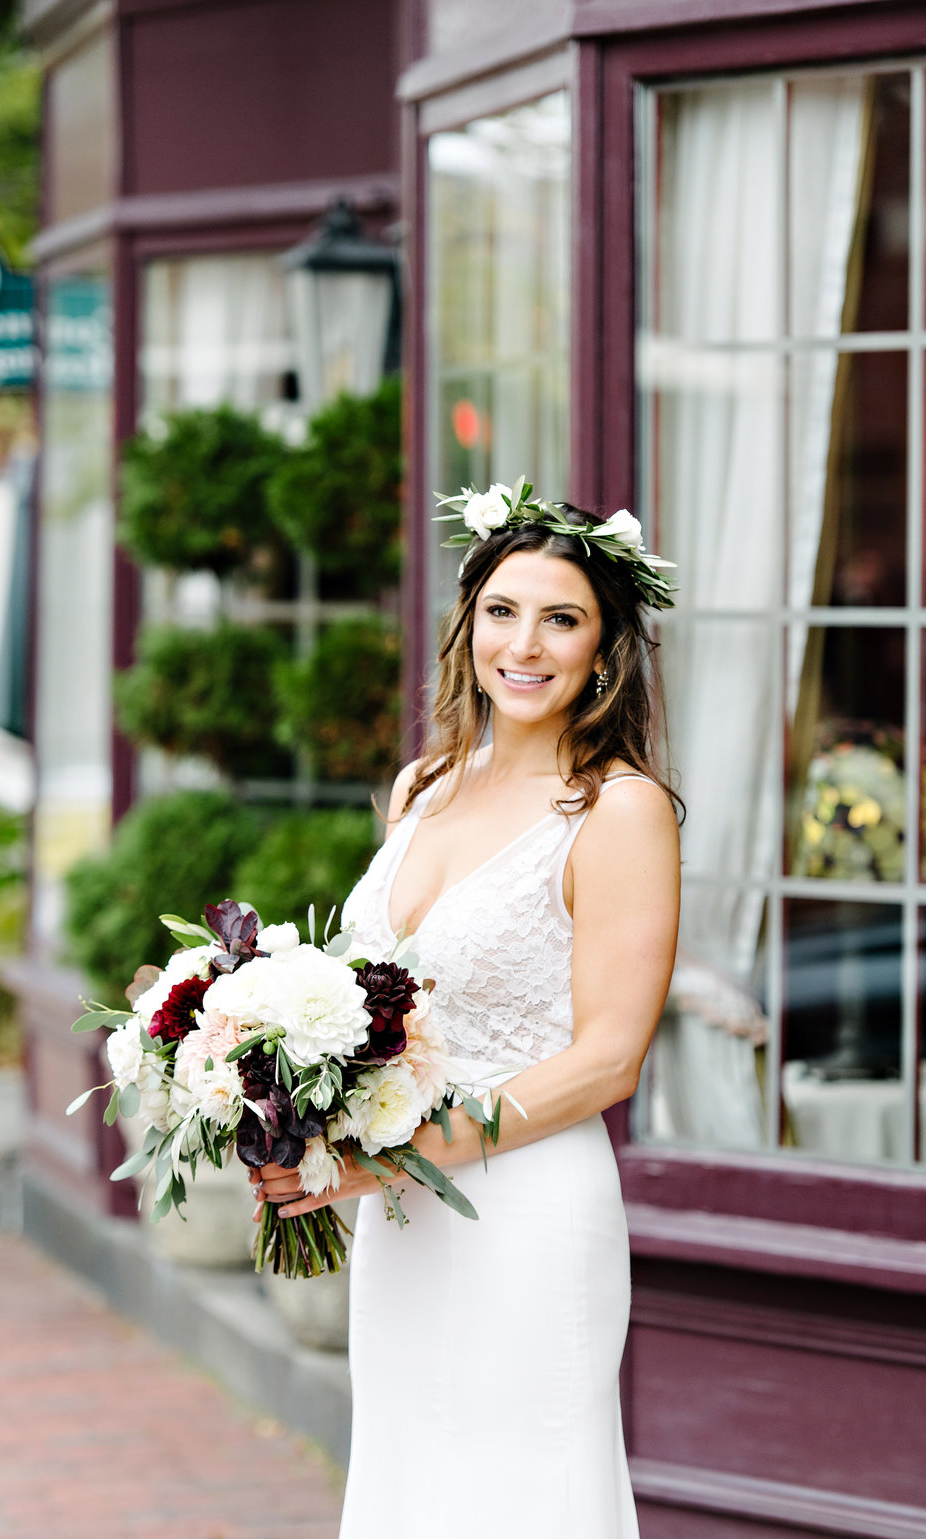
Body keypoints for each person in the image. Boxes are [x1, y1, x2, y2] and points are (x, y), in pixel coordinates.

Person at [250, 483, 681, 1538]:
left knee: (523, 1498)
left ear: (603, 649)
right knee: (410, 1488)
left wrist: (396, 1155)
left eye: (560, 619)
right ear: (468, 625)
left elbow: (609, 1060)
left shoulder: (619, 810)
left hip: (528, 1211)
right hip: (404, 1218)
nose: (524, 645)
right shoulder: (423, 786)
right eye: (502, 611)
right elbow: (374, 1010)